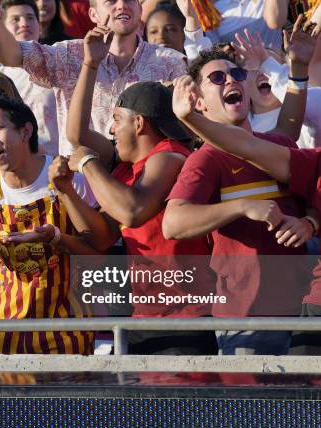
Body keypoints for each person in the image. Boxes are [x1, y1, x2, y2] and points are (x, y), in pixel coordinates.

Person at [162, 17, 318, 355]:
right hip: (247, 318)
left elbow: (311, 194)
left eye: (237, 74)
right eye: (217, 78)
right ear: (199, 102)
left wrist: (308, 223)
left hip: (303, 310)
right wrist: (240, 206)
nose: (230, 79)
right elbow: (172, 223)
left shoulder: (276, 142)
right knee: (253, 410)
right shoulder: (206, 159)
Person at [58, 25, 216, 354]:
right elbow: (102, 237)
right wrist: (66, 192)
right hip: (145, 314)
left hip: (187, 317)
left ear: (139, 123)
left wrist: (89, 165)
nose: (112, 130)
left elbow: (134, 210)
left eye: (116, 120)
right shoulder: (128, 170)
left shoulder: (171, 155)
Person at [0, 97, 96, 354]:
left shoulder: (65, 177)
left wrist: (56, 239)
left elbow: (99, 253)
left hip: (67, 326)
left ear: (25, 131)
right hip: (5, 324)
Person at [0, 0, 187, 154]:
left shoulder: (170, 62)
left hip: (147, 181)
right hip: (80, 181)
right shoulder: (68, 54)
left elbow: (184, 129)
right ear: (93, 14)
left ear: (140, 9)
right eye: (111, 1)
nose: (122, 5)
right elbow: (11, 56)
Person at [0, 0, 59, 156]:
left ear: (39, 26)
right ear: (3, 28)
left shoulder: (59, 62)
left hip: (63, 161)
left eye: (30, 18)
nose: (24, 23)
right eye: (15, 19)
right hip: (21, 162)